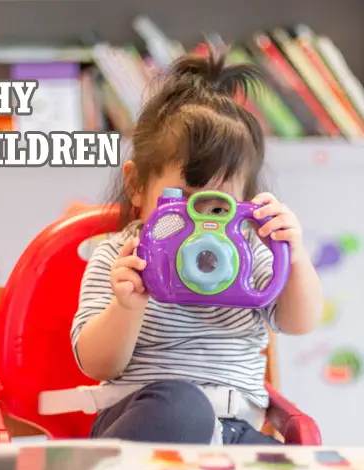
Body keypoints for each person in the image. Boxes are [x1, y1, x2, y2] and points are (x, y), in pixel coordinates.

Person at [70, 45, 323, 445]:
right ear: (137, 185)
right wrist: (126, 306)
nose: (201, 222)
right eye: (185, 197)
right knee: (182, 406)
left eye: (218, 205)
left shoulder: (249, 254)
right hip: (149, 420)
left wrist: (294, 256)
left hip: (236, 429)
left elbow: (299, 322)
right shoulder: (122, 258)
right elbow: (96, 362)